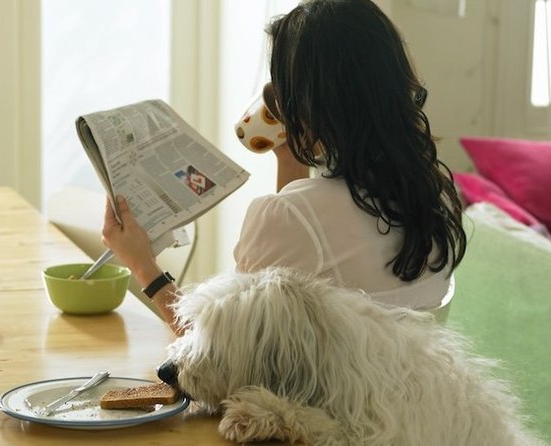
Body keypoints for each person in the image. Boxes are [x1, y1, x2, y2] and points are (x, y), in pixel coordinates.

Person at [103, 0, 466, 335]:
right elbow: (301, 269)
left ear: (306, 103)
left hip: (307, 407)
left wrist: (143, 266)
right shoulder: (436, 196)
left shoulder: (289, 216)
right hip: (399, 403)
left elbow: (222, 351)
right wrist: (290, 159)